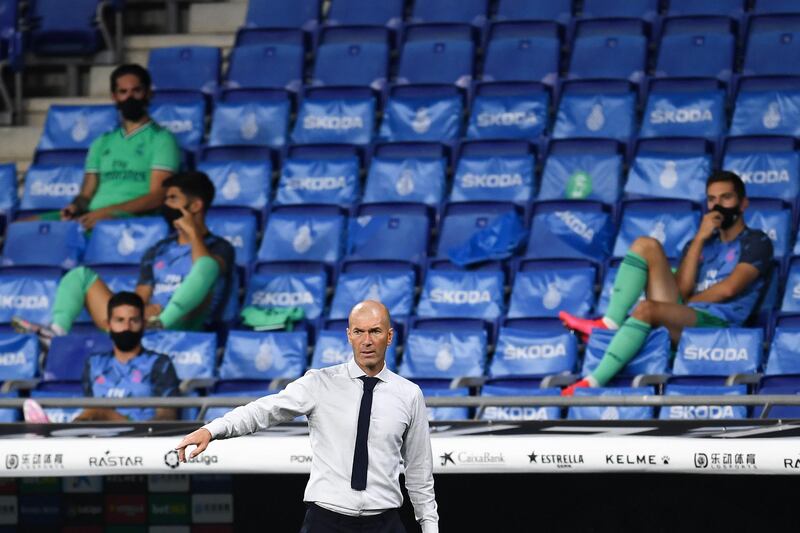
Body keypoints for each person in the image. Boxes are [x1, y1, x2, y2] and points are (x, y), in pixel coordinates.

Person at [175, 300, 439, 533]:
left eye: (375, 331)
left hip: (384, 521)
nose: (366, 340)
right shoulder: (319, 383)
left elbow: (419, 471)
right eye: (358, 332)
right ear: (349, 335)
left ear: (389, 336)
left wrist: (430, 527)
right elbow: (264, 410)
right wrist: (212, 429)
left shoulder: (409, 394)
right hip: (326, 520)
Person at [558, 170, 773, 395]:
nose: (718, 206)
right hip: (685, 316)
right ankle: (609, 322)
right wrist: (700, 238)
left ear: (743, 203)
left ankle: (591, 383)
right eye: (712, 199)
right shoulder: (697, 244)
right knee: (645, 245)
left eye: (726, 198)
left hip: (720, 325)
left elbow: (729, 289)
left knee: (646, 309)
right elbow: (681, 289)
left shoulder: (757, 241)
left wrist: (686, 303)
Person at [14, 170, 235, 340]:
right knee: (80, 276)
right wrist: (140, 311)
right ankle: (55, 334)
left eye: (172, 199)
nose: (166, 205)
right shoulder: (158, 249)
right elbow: (142, 294)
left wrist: (193, 234)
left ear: (196, 205)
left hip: (188, 322)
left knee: (207, 266)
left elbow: (205, 270)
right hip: (146, 320)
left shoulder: (220, 247)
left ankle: (162, 323)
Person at [47, 63, 180, 229]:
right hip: (92, 218)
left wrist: (109, 213)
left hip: (129, 223)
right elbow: (86, 194)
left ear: (148, 94)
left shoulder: (163, 139)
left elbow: (157, 196)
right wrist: (75, 207)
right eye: (123, 92)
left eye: (136, 91)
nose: (129, 97)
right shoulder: (102, 142)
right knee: (23, 226)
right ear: (114, 97)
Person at [22, 291, 179, 423]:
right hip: (99, 441)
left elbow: (167, 416)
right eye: (120, 320)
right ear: (108, 325)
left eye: (134, 321)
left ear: (143, 324)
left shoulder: (160, 363)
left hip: (144, 441)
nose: (127, 327)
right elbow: (89, 408)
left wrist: (112, 417)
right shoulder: (95, 364)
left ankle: (59, 432)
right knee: (95, 411)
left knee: (98, 410)